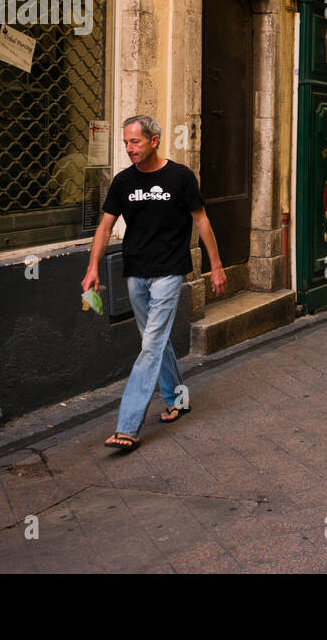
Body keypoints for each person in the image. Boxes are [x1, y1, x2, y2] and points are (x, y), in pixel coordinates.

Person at [81, 115, 227, 452]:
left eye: (135, 142)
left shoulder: (180, 177)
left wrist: (215, 267)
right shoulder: (122, 182)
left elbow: (202, 221)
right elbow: (104, 227)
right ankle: (178, 398)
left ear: (154, 140)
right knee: (154, 340)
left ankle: (128, 426)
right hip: (135, 272)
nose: (129, 148)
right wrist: (93, 268)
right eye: (126, 142)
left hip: (169, 272)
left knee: (150, 345)